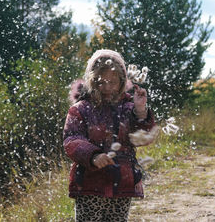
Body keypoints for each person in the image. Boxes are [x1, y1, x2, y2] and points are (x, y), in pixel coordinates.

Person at [63, 49, 156, 222]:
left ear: (122, 81)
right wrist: (93, 155)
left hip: (122, 180)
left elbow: (144, 136)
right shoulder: (81, 109)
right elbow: (71, 139)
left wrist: (141, 110)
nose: (107, 87)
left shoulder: (128, 108)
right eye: (101, 82)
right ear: (92, 80)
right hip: (90, 182)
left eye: (113, 82)